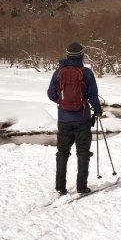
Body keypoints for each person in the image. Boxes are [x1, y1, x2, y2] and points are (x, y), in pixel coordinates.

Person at [47, 42, 102, 196]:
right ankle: (81, 187)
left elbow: (51, 94)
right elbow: (93, 96)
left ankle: (60, 187)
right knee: (83, 152)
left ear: (67, 55)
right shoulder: (87, 73)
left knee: (62, 152)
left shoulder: (58, 72)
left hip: (64, 119)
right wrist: (97, 111)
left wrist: (63, 102)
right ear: (81, 55)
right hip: (83, 119)